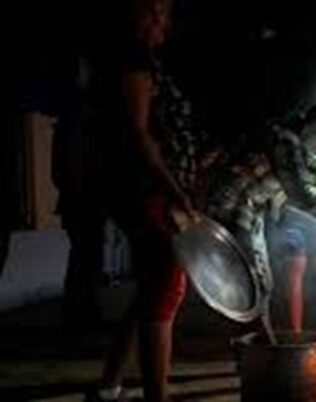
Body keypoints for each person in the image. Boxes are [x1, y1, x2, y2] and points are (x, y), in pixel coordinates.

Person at [87, 1, 208, 401]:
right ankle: (158, 394)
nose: (159, 21)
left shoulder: (147, 60)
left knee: (150, 288)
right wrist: (176, 190)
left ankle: (109, 385)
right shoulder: (131, 60)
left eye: (165, 12)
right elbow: (141, 137)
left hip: (155, 187)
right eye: (149, 11)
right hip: (148, 189)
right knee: (167, 286)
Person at [207, 102, 316, 354]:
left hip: (251, 212)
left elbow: (315, 175)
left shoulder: (295, 145)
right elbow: (301, 195)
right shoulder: (284, 141)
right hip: (232, 206)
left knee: (261, 283)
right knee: (251, 281)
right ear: (314, 126)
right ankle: (255, 351)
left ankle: (262, 348)